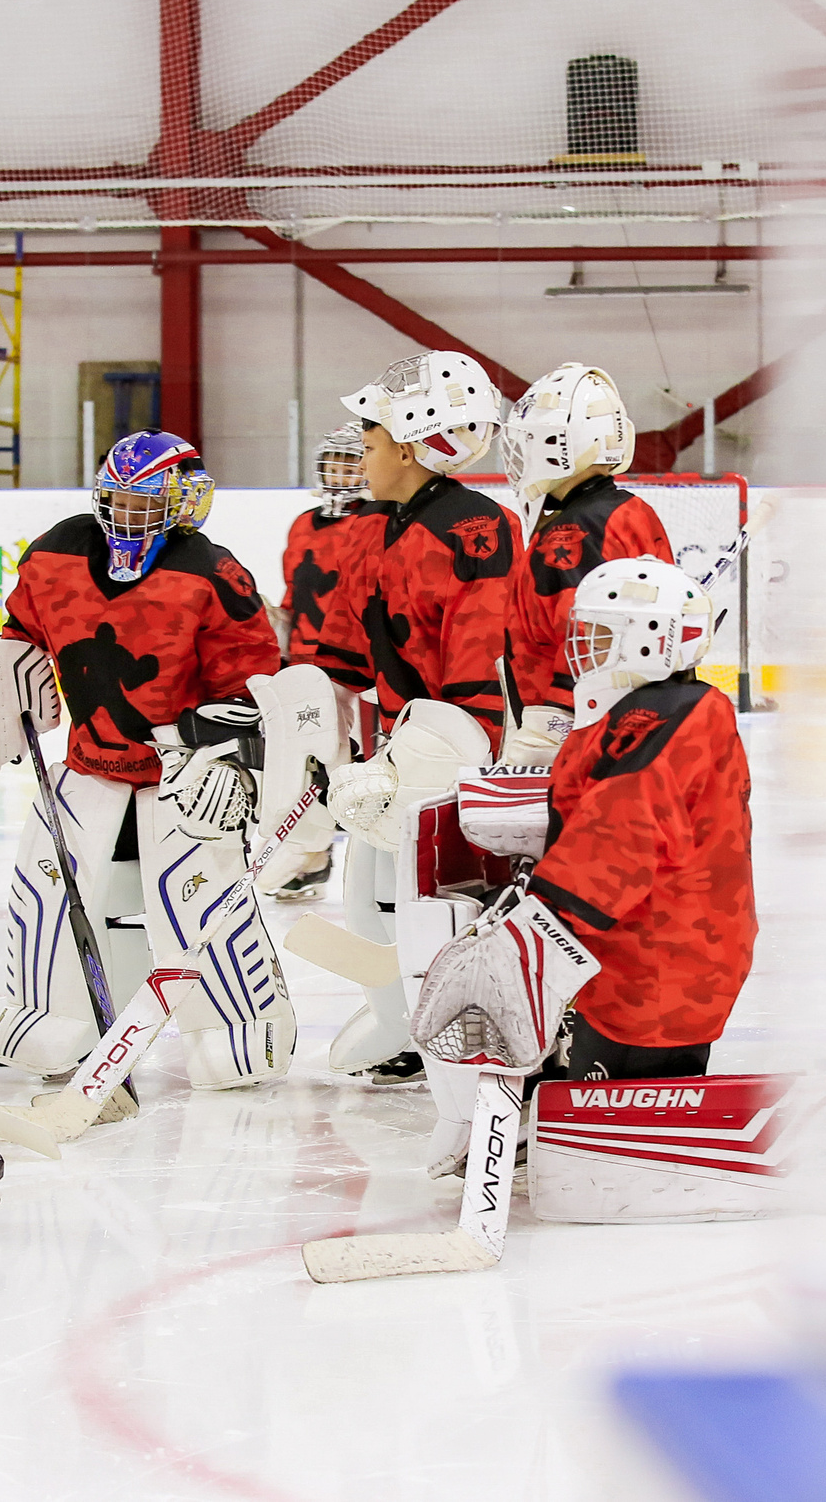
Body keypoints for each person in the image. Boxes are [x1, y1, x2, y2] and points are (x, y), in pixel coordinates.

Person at [0, 430, 291, 1107]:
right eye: (117, 499)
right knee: (46, 878)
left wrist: (238, 762)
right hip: (91, 758)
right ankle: (47, 1015)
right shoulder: (53, 553)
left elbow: (253, 678)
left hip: (182, 763)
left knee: (196, 890)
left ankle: (243, 1024)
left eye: (144, 502)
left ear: (184, 502)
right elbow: (23, 636)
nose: (125, 515)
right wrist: (5, 681)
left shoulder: (213, 573)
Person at [303, 351, 519, 1102]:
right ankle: (398, 1025)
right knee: (365, 905)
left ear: (408, 441)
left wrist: (426, 766)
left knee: (437, 909)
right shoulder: (373, 529)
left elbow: (475, 683)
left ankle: (456, 1035)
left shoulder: (477, 529)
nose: (359, 456)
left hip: (442, 761)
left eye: (369, 442)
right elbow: (340, 656)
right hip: (387, 755)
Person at [522, 555, 757, 1081]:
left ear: (653, 638)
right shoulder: (646, 707)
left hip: (660, 969)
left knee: (614, 1126)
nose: (583, 645)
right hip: (642, 955)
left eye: (602, 633)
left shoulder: (670, 713)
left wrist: (542, 917)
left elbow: (624, 827)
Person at [498, 364, 676, 767]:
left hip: (584, 743)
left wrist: (552, 726)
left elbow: (587, 641)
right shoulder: (631, 511)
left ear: (555, 444)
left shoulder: (570, 532)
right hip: (635, 728)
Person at [261, 422, 376, 900]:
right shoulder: (304, 524)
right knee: (305, 765)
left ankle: (369, 864)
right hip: (305, 667)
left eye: (352, 462)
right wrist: (276, 626)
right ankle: (313, 857)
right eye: (335, 461)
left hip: (354, 668)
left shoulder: (375, 524)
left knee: (357, 767)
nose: (340, 472)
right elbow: (296, 593)